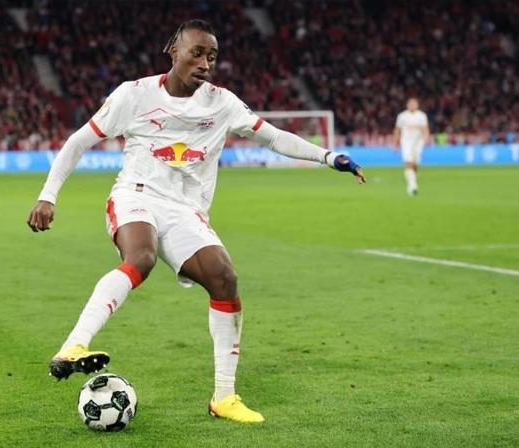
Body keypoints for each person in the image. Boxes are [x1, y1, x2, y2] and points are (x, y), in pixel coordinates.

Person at [27, 19, 365, 424]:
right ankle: (74, 345)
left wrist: (328, 157)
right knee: (142, 257)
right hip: (136, 194)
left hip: (186, 210)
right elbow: (79, 141)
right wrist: (48, 195)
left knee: (224, 277)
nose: (205, 63)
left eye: (212, 56)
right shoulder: (133, 95)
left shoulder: (222, 103)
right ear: (174, 51)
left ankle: (224, 397)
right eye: (197, 53)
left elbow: (273, 137)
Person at [393, 97, 429, 195]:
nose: (412, 105)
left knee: (416, 164)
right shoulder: (402, 116)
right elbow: (397, 130)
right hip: (406, 142)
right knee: (408, 163)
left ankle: (412, 181)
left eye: (414, 103)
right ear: (407, 105)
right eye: (411, 103)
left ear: (417, 105)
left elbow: (425, 129)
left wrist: (426, 139)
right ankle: (412, 186)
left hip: (418, 142)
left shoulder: (422, 116)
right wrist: (395, 143)